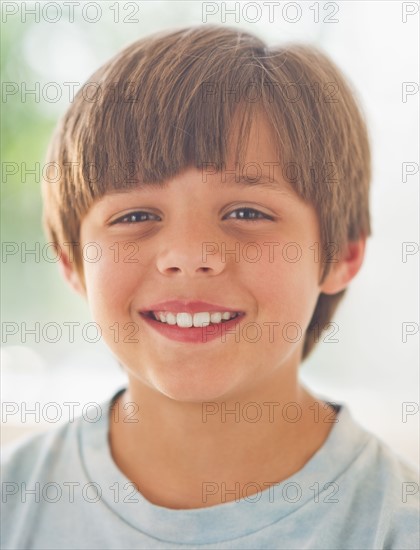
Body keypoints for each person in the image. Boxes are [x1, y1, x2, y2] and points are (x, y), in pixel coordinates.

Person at [2, 25, 419, 549]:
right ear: (72, 264)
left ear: (342, 254)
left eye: (247, 211)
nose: (189, 256)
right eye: (135, 214)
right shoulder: (14, 503)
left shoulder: (395, 526)